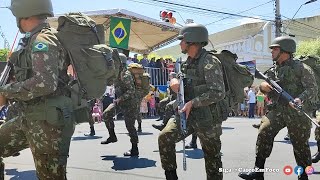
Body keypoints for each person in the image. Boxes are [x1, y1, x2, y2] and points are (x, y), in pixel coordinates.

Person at [0, 0, 75, 179]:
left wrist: (6, 92)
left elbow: (45, 83)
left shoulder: (42, 40)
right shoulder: (34, 39)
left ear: (24, 14)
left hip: (48, 123)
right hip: (31, 117)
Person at [239, 36, 317, 180]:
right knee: (264, 131)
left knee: (300, 145)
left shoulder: (301, 68)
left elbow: (312, 88)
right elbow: (262, 86)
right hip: (278, 110)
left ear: (285, 51)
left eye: (275, 49)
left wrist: (300, 98)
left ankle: (304, 175)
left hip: (297, 112)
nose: (272, 52)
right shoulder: (273, 70)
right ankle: (258, 171)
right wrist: (263, 87)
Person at [158, 23, 225, 180]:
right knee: (165, 137)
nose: (180, 43)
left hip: (207, 118)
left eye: (182, 40)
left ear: (192, 41)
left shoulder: (209, 61)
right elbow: (178, 78)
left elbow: (218, 92)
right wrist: (173, 81)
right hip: (186, 115)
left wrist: (192, 103)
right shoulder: (187, 62)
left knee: (212, 158)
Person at [101, 53, 141, 156]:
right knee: (107, 114)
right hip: (120, 102)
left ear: (120, 63)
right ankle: (112, 136)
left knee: (130, 126)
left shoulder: (126, 75)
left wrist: (120, 98)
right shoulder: (117, 74)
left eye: (115, 62)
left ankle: (134, 149)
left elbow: (131, 91)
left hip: (130, 103)